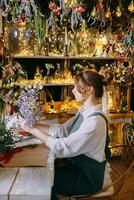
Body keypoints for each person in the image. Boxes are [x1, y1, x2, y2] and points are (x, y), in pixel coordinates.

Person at [21, 70, 111, 200]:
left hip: (86, 178)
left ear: (89, 89)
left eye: (76, 87)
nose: (73, 90)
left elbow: (62, 148)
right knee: (42, 174)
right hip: (76, 168)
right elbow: (62, 130)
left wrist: (32, 131)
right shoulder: (84, 112)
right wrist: (33, 125)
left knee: (43, 181)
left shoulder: (94, 122)